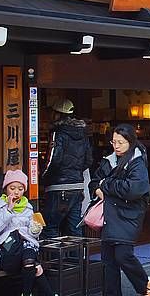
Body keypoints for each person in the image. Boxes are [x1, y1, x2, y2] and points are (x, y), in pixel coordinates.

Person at [91, 124, 150, 296]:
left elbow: (134, 189)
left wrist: (107, 185)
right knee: (108, 261)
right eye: (113, 142)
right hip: (109, 215)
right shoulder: (108, 160)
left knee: (123, 255)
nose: (116, 146)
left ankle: (143, 284)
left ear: (130, 142)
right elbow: (94, 182)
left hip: (128, 215)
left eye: (120, 142)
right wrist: (98, 189)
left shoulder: (137, 162)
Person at [0, 170, 55, 296]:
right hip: (5, 247)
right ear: (5, 188)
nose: (16, 192)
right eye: (12, 188)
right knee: (35, 266)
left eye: (20, 188)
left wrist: (35, 230)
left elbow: (32, 235)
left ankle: (26, 293)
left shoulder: (28, 206)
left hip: (25, 246)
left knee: (29, 258)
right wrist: (8, 210)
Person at [42, 99, 94, 238]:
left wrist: (44, 178)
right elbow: (88, 160)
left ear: (57, 114)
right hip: (77, 186)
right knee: (74, 227)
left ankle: (53, 260)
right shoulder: (83, 134)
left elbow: (53, 160)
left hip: (58, 187)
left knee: (50, 227)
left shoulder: (58, 133)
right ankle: (76, 259)